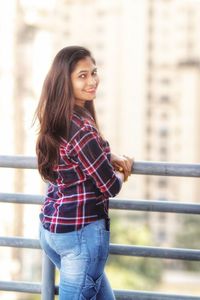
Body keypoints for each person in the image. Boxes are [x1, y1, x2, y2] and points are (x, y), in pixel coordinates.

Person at [35, 45, 133, 300]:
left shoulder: (56, 117)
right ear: (65, 81)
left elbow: (72, 159)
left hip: (51, 230)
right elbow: (110, 186)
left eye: (94, 73)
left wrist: (107, 156)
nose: (92, 81)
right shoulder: (83, 128)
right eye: (82, 76)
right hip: (80, 236)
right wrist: (124, 171)